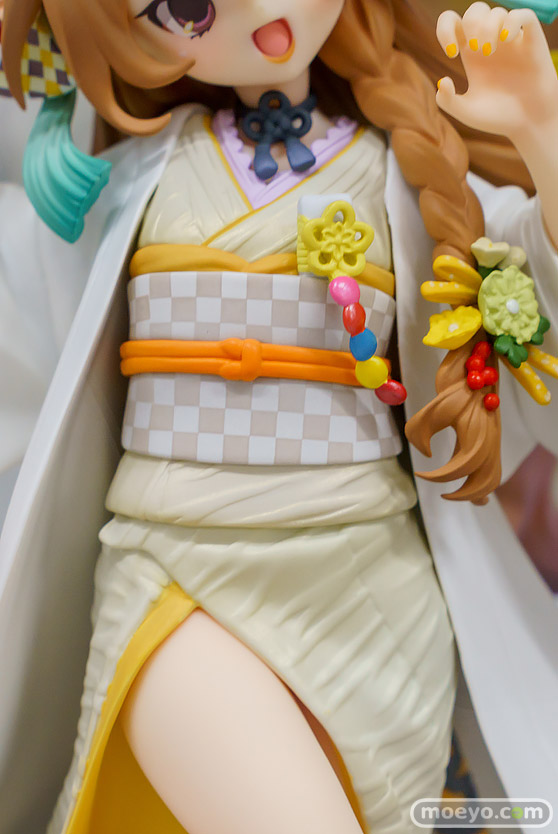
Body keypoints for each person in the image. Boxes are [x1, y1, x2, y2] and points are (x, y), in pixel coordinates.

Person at [0, 1, 557, 832]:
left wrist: (542, 133)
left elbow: (529, 296)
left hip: (370, 589)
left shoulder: (406, 173)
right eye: (186, 6)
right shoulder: (132, 181)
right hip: (178, 562)